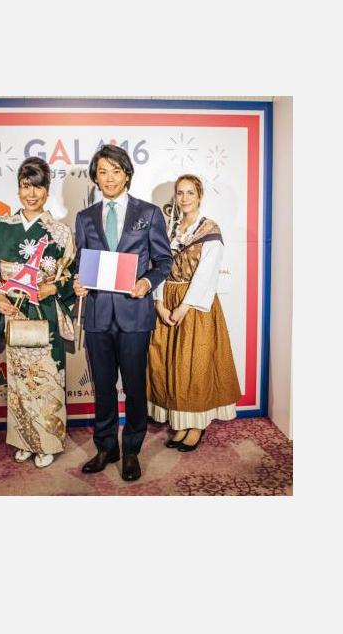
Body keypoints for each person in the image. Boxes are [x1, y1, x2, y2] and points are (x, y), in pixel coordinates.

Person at [73, 144, 173, 481]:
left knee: (134, 387)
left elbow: (164, 261)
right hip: (98, 315)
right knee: (102, 387)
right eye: (103, 172)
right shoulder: (85, 217)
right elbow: (81, 263)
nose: (110, 178)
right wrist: (78, 282)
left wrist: (146, 282)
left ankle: (131, 450)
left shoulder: (150, 213)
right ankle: (106, 447)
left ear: (127, 174)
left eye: (116, 171)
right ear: (95, 178)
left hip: (135, 315)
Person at [0, 157, 76, 468]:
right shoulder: (3, 228)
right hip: (14, 313)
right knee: (19, 379)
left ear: (47, 190)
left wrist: (54, 287)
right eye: (25, 186)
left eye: (38, 187)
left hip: (44, 312)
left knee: (45, 379)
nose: (31, 194)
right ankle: (23, 439)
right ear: (18, 189)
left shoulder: (60, 232)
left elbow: (72, 273)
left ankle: (46, 441)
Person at [147, 174, 242, 451]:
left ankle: (196, 424)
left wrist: (184, 306)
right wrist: (159, 303)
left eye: (190, 192)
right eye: (180, 193)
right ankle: (181, 422)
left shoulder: (210, 229)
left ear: (200, 196)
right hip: (168, 299)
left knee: (194, 364)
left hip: (195, 305)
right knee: (171, 364)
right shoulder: (169, 229)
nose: (185, 198)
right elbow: (159, 266)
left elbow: (206, 274)